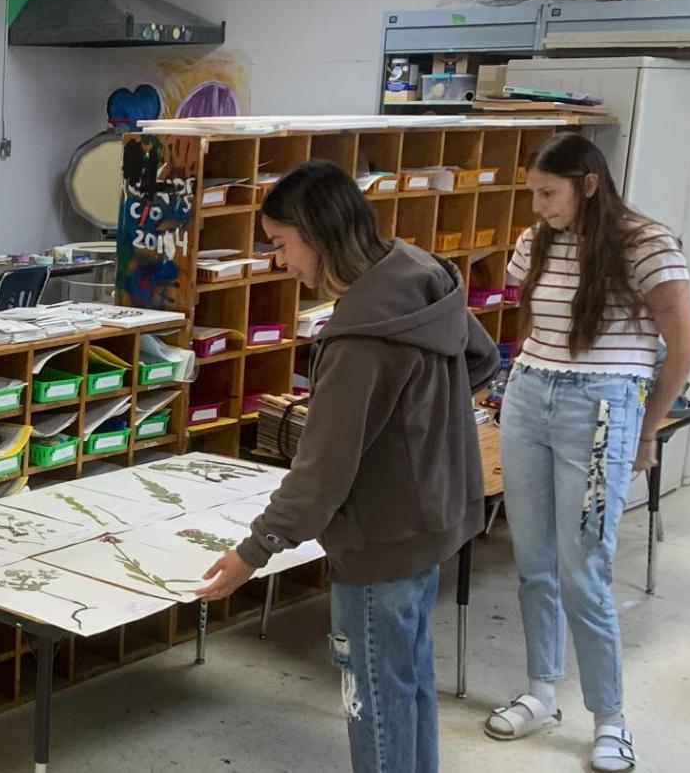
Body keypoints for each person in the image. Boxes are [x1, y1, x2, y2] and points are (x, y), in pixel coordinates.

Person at [199, 161, 499, 773]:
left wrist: (254, 551)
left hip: (379, 537)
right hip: (433, 517)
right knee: (409, 683)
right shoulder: (419, 272)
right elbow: (482, 358)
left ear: (316, 232)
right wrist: (415, 430)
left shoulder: (359, 337)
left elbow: (323, 471)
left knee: (376, 703)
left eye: (281, 244)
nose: (279, 261)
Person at [483, 133, 690, 773]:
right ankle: (542, 692)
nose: (539, 205)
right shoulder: (536, 240)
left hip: (603, 405)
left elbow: (683, 349)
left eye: (549, 193)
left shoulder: (646, 244)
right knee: (535, 563)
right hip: (527, 396)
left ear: (590, 184)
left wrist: (648, 427)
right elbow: (533, 324)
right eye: (533, 193)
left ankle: (611, 719)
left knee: (586, 573)